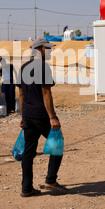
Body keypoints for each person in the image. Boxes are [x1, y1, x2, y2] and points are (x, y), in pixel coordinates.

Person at [16, 38, 66, 197]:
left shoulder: (23, 67)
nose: (50, 51)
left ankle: (27, 188)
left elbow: (21, 94)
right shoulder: (43, 67)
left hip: (29, 116)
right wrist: (52, 117)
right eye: (48, 48)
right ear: (39, 49)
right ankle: (50, 180)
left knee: (28, 153)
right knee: (57, 144)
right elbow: (46, 93)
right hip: (41, 115)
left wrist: (23, 116)